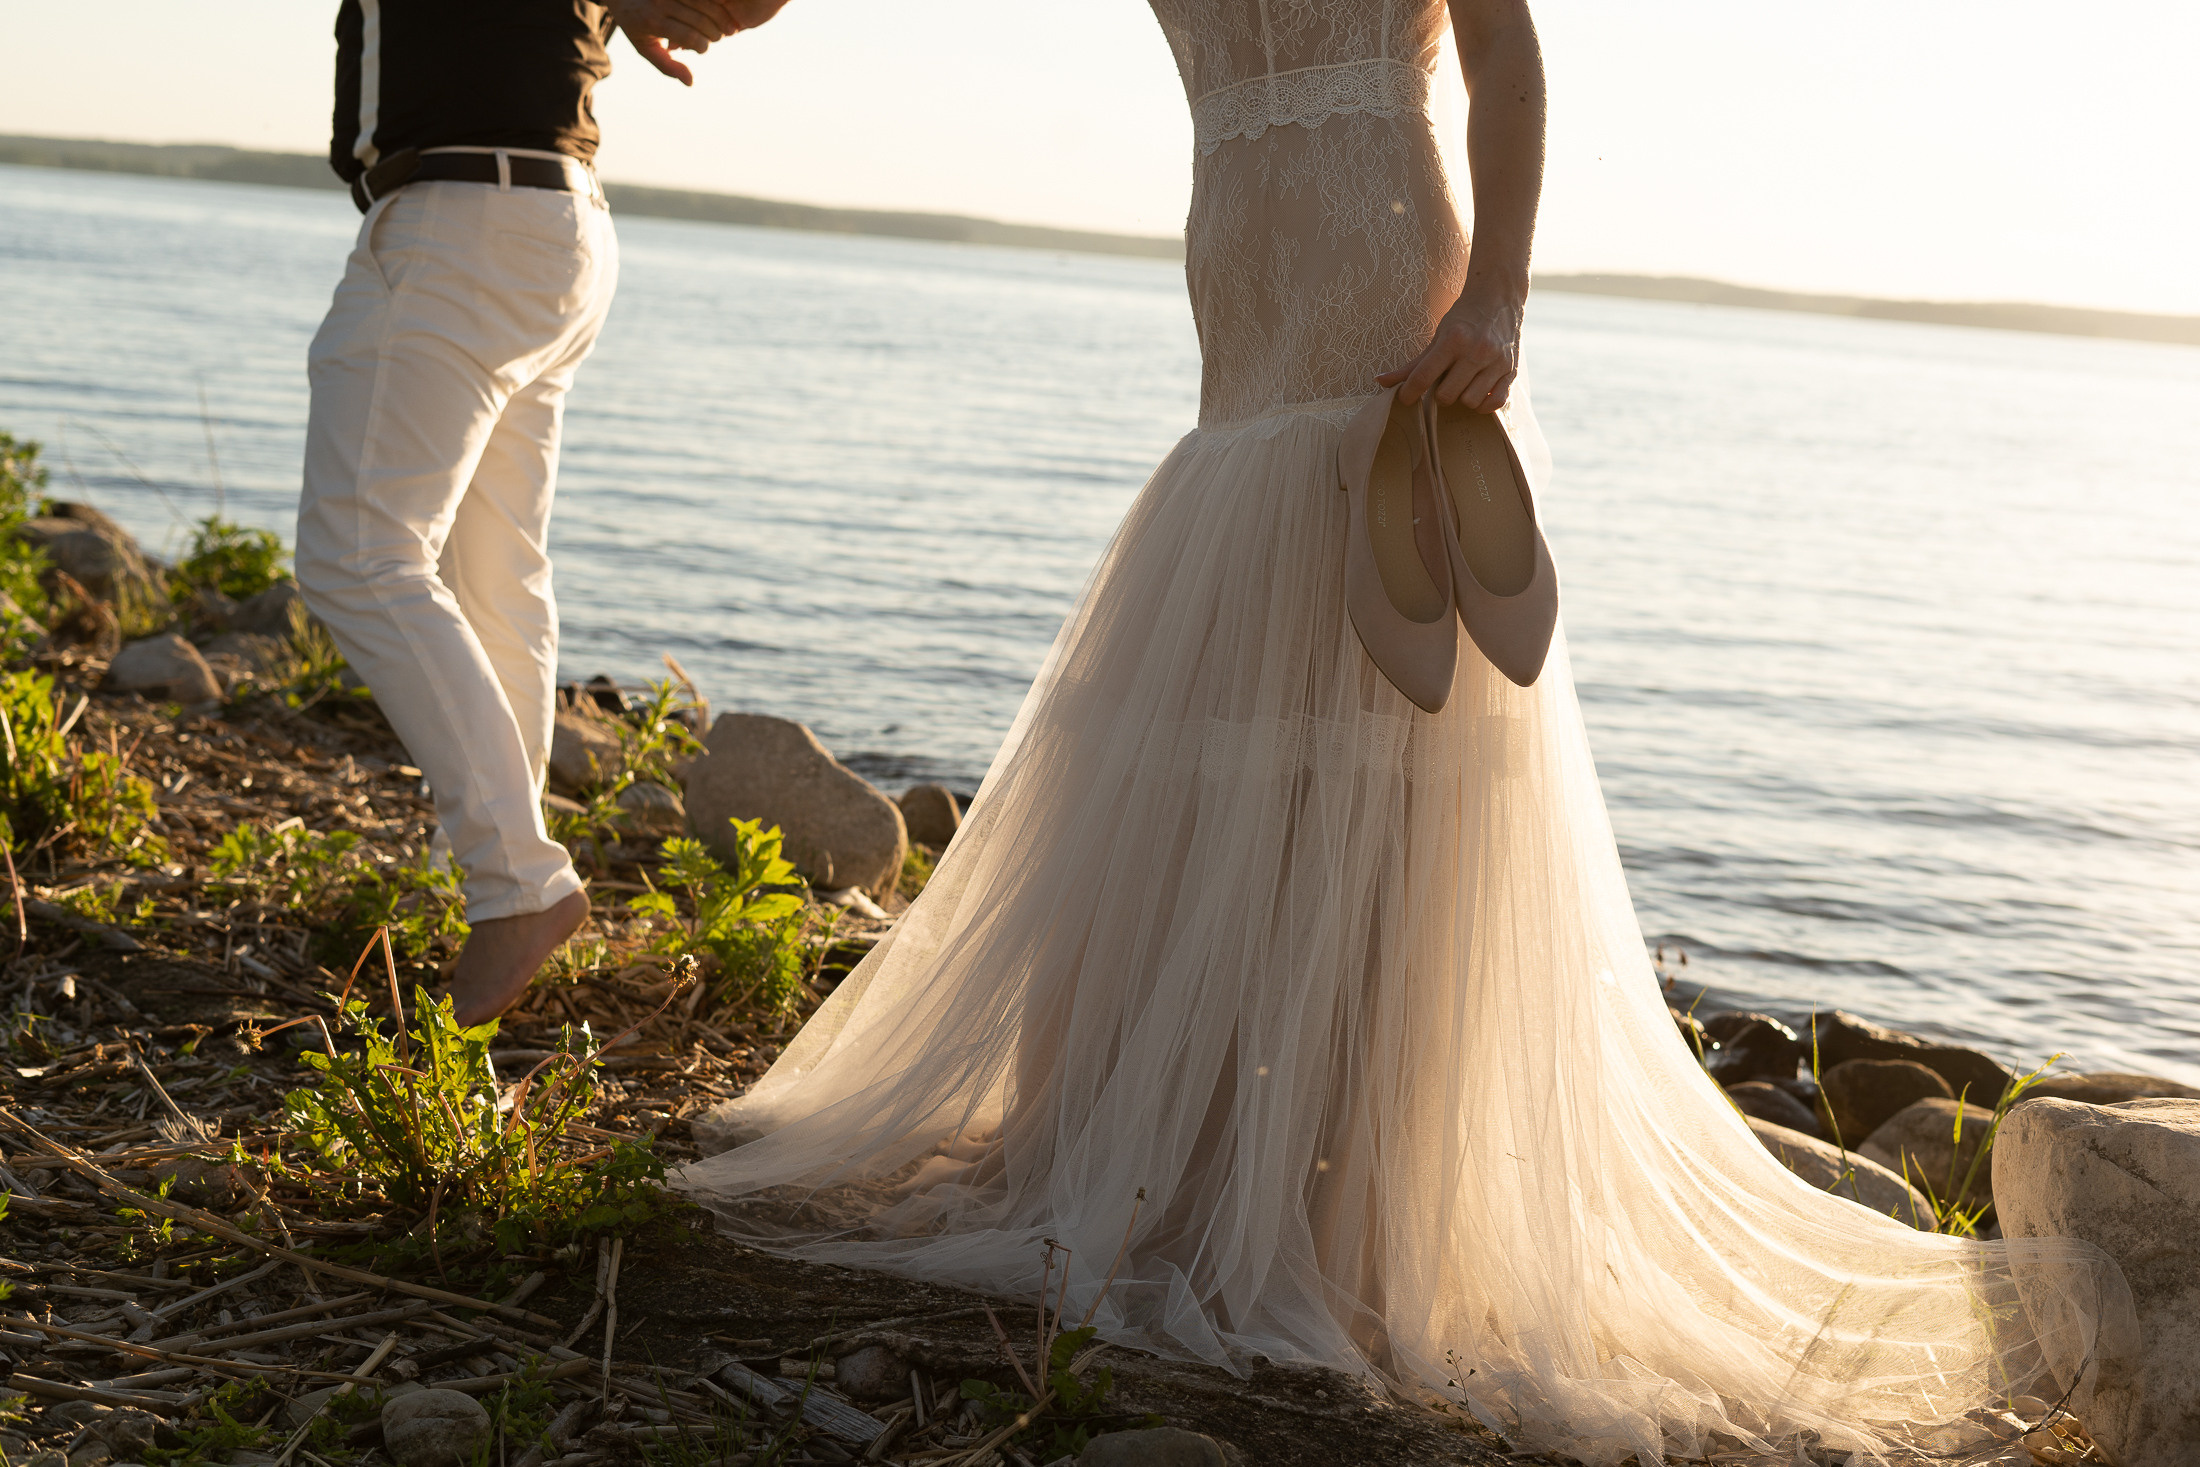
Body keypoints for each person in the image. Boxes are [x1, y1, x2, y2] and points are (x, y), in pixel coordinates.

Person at [675, 2, 2126, 1461]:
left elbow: (1502, 49)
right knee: (1214, 750)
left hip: (1392, 302)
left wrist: (1498, 298)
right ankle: (1170, 1162)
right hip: (1241, 312)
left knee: (1388, 755)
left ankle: (1348, 1208)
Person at [294, 0, 739, 1024]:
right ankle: (500, 872)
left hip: (465, 220)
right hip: (552, 224)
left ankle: (516, 882)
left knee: (359, 557)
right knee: (497, 576)